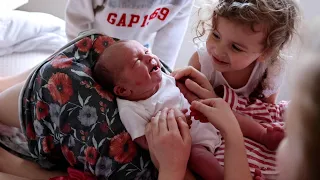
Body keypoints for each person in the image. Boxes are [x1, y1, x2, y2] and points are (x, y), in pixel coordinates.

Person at [171, 0, 299, 178]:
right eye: (215, 35)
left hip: (248, 126)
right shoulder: (202, 63)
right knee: (195, 156)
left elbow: (267, 109)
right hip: (210, 124)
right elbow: (194, 106)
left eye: (236, 47)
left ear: (265, 53)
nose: (218, 50)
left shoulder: (271, 70)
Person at [93, 39, 221, 179]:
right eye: (137, 61)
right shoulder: (131, 109)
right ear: (123, 90)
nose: (149, 57)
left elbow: (184, 92)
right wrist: (176, 126)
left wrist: (197, 102)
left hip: (208, 123)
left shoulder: (163, 79)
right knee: (199, 158)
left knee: (228, 116)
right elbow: (147, 142)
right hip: (194, 145)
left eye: (147, 51)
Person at [65, 0, 194, 69]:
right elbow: (76, 22)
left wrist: (163, 78)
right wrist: (82, 63)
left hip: (139, 57)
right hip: (96, 53)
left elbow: (168, 45)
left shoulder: (181, 2)